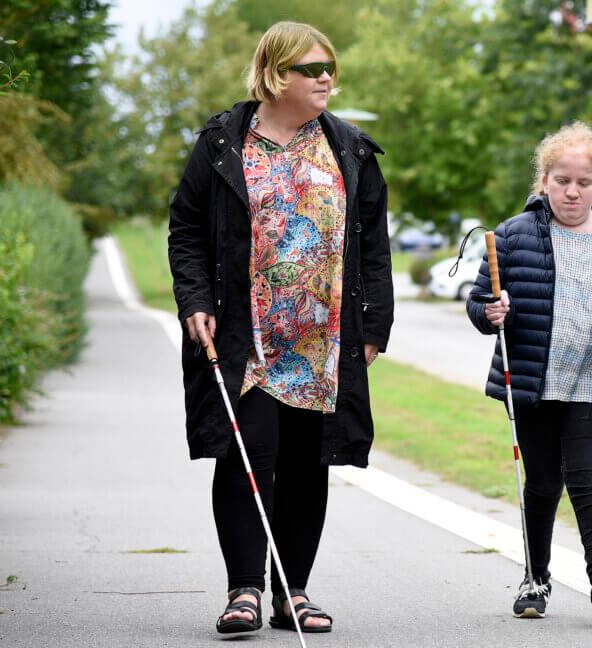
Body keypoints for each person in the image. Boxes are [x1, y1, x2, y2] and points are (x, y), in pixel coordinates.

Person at [167, 21, 392, 635]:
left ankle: (295, 592)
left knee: (305, 463)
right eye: (311, 69)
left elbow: (373, 245)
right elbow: (186, 228)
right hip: (248, 337)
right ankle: (244, 590)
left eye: (329, 68)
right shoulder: (222, 143)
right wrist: (193, 301)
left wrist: (375, 326)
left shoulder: (348, 148)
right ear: (274, 74)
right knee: (248, 456)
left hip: (322, 341)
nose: (325, 78)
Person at [466, 123, 592, 625]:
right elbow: (479, 302)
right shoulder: (511, 237)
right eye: (561, 181)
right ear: (544, 181)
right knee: (541, 484)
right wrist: (491, 311)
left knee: (588, 480)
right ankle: (536, 577)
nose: (571, 191)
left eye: (583, 182)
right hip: (534, 383)